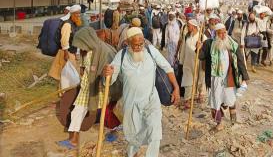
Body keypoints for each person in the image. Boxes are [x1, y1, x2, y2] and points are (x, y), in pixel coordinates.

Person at [103, 27, 180, 157]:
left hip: (151, 100)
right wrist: (107, 74)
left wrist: (176, 88)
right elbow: (109, 80)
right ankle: (133, 154)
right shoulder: (121, 56)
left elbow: (167, 68)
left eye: (141, 44)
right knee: (133, 136)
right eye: (135, 45)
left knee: (155, 133)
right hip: (131, 103)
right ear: (127, 43)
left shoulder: (150, 51)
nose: (139, 47)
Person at [58, 27, 115, 149]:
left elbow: (110, 72)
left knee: (107, 113)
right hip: (86, 88)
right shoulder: (86, 52)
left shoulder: (103, 51)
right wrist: (82, 80)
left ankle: (112, 133)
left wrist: (104, 76)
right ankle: (73, 140)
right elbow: (84, 70)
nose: (80, 47)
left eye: (81, 44)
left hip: (100, 88)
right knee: (77, 112)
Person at [198, 23, 249, 131]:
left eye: (224, 32)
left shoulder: (232, 43)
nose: (223, 35)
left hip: (229, 77)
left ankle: (233, 116)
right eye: (220, 33)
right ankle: (219, 123)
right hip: (214, 79)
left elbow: (240, 60)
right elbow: (201, 56)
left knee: (230, 98)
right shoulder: (209, 43)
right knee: (215, 101)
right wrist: (198, 47)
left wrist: (245, 77)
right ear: (216, 34)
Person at [49, 5, 82, 80]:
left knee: (72, 75)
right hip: (67, 53)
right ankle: (63, 91)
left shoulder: (75, 24)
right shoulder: (67, 25)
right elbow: (64, 40)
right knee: (67, 76)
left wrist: (77, 53)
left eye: (79, 13)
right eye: (77, 13)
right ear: (72, 14)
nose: (79, 15)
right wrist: (66, 54)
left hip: (73, 52)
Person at [180, 19, 207, 108]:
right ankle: (187, 99)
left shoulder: (202, 37)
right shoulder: (187, 36)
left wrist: (201, 45)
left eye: (188, 26)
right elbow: (183, 48)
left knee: (199, 80)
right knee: (188, 81)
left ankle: (200, 94)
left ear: (194, 26)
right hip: (188, 62)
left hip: (198, 62)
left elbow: (206, 52)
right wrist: (181, 60)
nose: (187, 27)